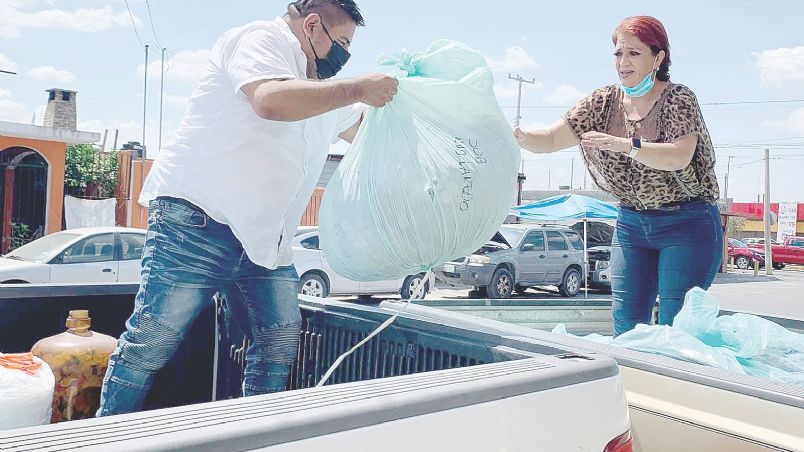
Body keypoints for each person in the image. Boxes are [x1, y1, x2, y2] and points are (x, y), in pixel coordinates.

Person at [98, 0, 398, 416]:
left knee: (279, 343)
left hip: (264, 241)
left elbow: (367, 135)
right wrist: (358, 88)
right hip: (199, 222)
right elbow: (271, 100)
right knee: (152, 342)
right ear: (312, 25)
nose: (345, 56)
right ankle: (107, 436)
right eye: (342, 43)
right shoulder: (260, 40)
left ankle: (254, 433)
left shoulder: (324, 92)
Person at [515, 16, 722, 336]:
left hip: (687, 222)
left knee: (676, 326)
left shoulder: (679, 98)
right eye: (618, 54)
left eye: (634, 54)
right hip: (631, 223)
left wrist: (627, 145)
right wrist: (523, 137)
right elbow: (553, 138)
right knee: (627, 323)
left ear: (658, 57)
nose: (623, 63)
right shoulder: (602, 102)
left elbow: (680, 155)